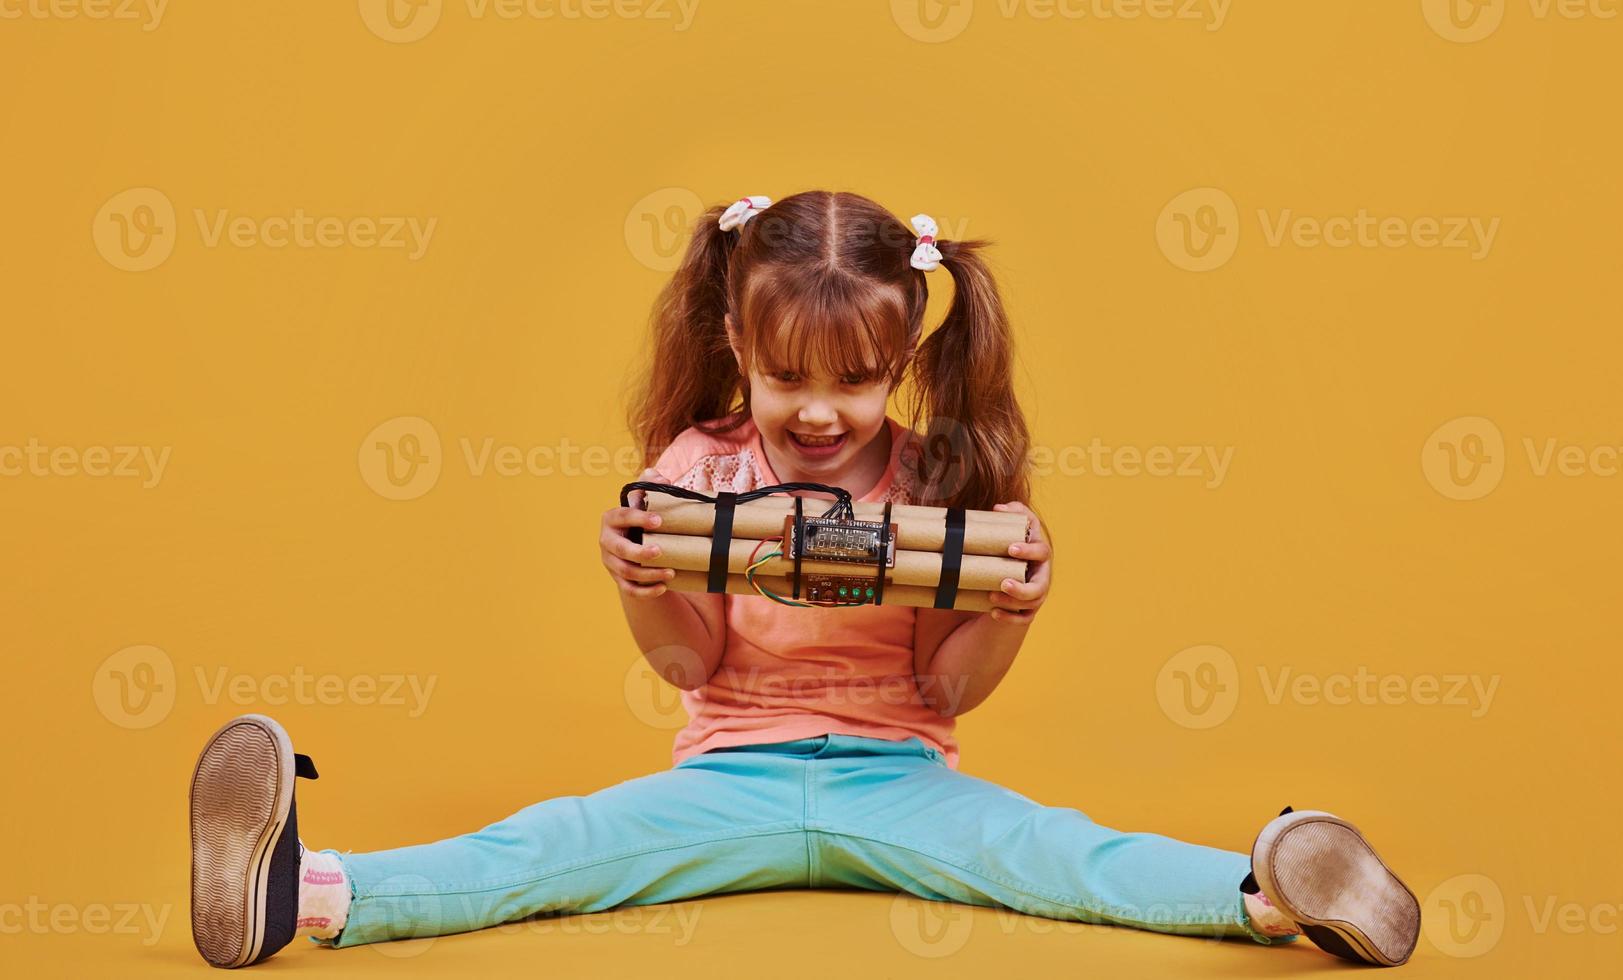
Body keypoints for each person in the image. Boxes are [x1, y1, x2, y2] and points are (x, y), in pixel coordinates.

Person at [187, 191, 1420, 969]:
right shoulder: (698, 467)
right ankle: (301, 886)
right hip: (728, 768)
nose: (821, 412)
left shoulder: (944, 481)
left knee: (1063, 853)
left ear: (903, 360)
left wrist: (1014, 611)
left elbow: (950, 690)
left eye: (858, 380)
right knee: (553, 846)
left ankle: (1271, 890)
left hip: (902, 777)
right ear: (738, 348)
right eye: (787, 380)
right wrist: (637, 578)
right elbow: (692, 666)